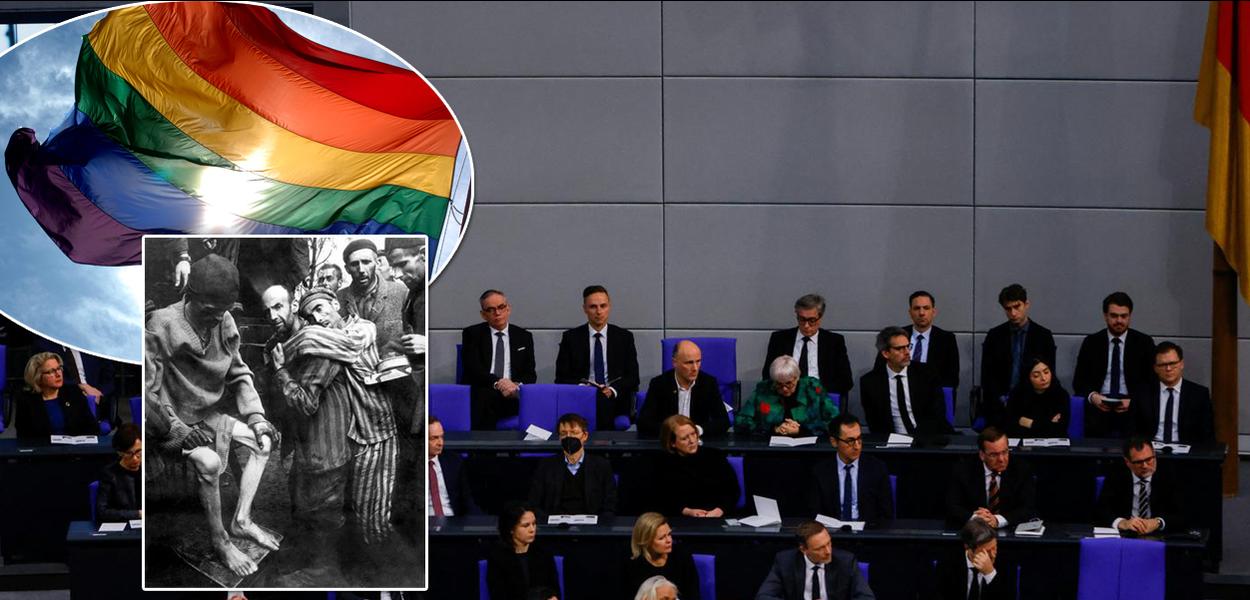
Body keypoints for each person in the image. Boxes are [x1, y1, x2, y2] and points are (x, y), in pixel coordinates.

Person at [145, 254, 279, 576]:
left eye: (223, 310)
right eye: (210, 310)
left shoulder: (224, 320)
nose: (217, 318)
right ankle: (220, 542)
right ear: (190, 296)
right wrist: (176, 429)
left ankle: (241, 520)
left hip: (206, 415)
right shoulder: (161, 324)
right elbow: (147, 392)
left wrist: (257, 418)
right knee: (209, 462)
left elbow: (239, 374)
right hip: (169, 422)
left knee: (262, 443)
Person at [271, 288, 398, 546]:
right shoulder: (324, 339)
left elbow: (344, 346)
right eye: (309, 315)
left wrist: (282, 363)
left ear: (335, 304)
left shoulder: (361, 329)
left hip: (379, 427)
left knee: (376, 507)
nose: (316, 318)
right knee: (360, 506)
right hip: (358, 431)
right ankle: (362, 558)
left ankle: (376, 563)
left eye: (320, 309)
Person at [555, 285, 640, 428]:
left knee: (602, 400)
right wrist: (583, 388)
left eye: (603, 306)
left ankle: (597, 449)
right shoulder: (571, 338)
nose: (599, 311)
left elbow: (633, 377)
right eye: (593, 307)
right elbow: (561, 378)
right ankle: (603, 448)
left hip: (614, 398)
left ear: (609, 307)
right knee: (596, 400)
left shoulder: (624, 337)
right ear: (585, 309)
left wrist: (612, 390)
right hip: (582, 397)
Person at [1073, 292, 1155, 438]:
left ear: (1130, 316)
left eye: (1124, 316)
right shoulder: (1091, 342)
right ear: (1105, 316)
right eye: (1114, 316)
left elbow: (1151, 383)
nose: (1119, 320)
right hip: (1099, 406)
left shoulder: (1144, 343)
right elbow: (1079, 381)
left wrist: (1133, 401)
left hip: (1131, 407)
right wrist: (1093, 397)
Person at [979, 284, 1057, 428]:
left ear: (1026, 304)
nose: (1013, 313)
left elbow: (1049, 376)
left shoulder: (1043, 336)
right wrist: (1003, 400)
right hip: (1000, 405)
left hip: (1033, 405)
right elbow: (987, 376)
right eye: (1008, 309)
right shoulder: (994, 336)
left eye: (1017, 307)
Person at [462, 289, 537, 429]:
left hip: (513, 394)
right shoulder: (472, 334)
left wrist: (515, 386)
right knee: (486, 397)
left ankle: (532, 449)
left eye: (501, 307)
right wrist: (498, 383)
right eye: (490, 310)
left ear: (508, 308)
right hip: (484, 390)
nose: (497, 313)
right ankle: (485, 449)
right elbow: (473, 370)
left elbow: (530, 374)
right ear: (483, 315)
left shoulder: (524, 336)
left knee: (537, 398)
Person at [859, 327, 950, 435]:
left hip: (927, 438)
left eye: (908, 346)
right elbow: (875, 423)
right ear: (885, 353)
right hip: (891, 443)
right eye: (899, 348)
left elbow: (936, 414)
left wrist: (917, 441)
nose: (907, 352)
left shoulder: (927, 374)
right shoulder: (870, 382)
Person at [761, 293, 854, 398]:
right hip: (786, 397)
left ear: (820, 318)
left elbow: (846, 381)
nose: (806, 325)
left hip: (820, 398)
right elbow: (767, 376)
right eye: (802, 319)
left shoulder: (834, 342)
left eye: (812, 321)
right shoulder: (779, 339)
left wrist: (817, 392)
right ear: (796, 315)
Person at [528, 413, 618, 519]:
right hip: (556, 527)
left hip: (590, 528)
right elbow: (534, 503)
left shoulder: (601, 465)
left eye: (574, 433)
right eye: (564, 433)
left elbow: (610, 503)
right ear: (559, 438)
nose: (569, 437)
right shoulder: (546, 466)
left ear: (585, 436)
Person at [755, 520, 875, 599]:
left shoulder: (846, 561)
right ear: (803, 549)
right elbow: (764, 596)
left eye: (829, 543)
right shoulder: (785, 561)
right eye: (820, 548)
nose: (828, 551)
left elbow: (866, 597)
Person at [808, 414, 893, 524]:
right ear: (834, 442)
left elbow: (886, 513)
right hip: (832, 534)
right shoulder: (820, 471)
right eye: (850, 441)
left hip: (868, 533)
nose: (857, 446)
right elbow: (814, 514)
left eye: (859, 439)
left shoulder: (877, 468)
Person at [945, 427, 1036, 529]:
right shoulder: (963, 470)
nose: (1001, 459)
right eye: (994, 455)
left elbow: (1028, 507)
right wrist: (976, 518)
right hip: (974, 532)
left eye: (1005, 452)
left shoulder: (1021, 469)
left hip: (1009, 530)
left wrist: (997, 520)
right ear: (982, 455)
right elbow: (952, 505)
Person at [873, 291, 960, 396]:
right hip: (897, 395)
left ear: (934, 312)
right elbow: (879, 371)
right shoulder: (894, 336)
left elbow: (951, 379)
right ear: (910, 312)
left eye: (926, 308)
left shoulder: (947, 339)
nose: (922, 313)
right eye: (917, 308)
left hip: (932, 399)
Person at [652, 415, 739, 518]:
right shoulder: (662, 463)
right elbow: (660, 499)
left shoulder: (715, 456)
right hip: (679, 520)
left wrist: (719, 510)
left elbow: (733, 490)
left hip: (717, 517)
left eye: (693, 434)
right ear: (672, 443)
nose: (692, 441)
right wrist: (687, 511)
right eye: (684, 438)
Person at [1094, 437, 1184, 534]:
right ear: (1127, 462)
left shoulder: (1169, 475)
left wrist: (1158, 522)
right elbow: (1101, 510)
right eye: (1138, 462)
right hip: (1126, 534)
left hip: (1159, 535)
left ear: (1154, 455)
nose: (1145, 466)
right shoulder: (1117, 474)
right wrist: (1122, 523)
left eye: (1149, 459)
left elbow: (1183, 515)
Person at [639, 340, 730, 437]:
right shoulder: (659, 384)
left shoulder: (708, 383)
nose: (695, 368)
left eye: (698, 361)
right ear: (675, 362)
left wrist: (697, 430)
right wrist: (674, 431)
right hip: (669, 444)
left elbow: (723, 422)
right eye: (689, 363)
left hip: (697, 443)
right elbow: (644, 423)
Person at [1131, 342, 1215, 445]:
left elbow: (1207, 434)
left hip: (1187, 453)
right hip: (1150, 452)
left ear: (1181, 364)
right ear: (1155, 368)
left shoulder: (1199, 394)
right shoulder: (1142, 394)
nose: (1168, 369)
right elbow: (1132, 431)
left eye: (1172, 363)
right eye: (1162, 365)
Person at [737, 355, 838, 437]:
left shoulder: (812, 388)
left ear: (797, 378)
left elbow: (835, 421)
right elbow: (741, 421)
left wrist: (802, 429)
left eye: (789, 383)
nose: (784, 389)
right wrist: (774, 429)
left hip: (809, 445)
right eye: (779, 384)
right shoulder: (764, 389)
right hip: (769, 446)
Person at [15, 351, 101, 440]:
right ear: (38, 377)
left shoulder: (74, 393)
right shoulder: (26, 400)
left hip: (75, 450)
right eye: (51, 371)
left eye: (59, 368)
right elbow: (23, 437)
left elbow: (92, 429)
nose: (58, 374)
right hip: (43, 451)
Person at [486, 503, 561, 600]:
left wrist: (553, 597)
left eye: (534, 524)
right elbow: (498, 595)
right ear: (511, 529)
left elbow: (554, 589)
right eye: (526, 525)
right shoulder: (498, 557)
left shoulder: (543, 553)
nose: (532, 529)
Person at [931, 518, 1015, 600]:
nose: (993, 554)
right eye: (987, 551)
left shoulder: (1003, 562)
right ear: (968, 548)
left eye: (995, 548)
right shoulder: (949, 563)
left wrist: (990, 574)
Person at [622, 513, 700, 600]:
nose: (669, 540)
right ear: (646, 541)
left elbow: (693, 595)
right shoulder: (633, 565)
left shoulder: (682, 557)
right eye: (662, 538)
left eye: (669, 534)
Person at [1003, 358, 1069, 439]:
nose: (1044, 378)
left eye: (1046, 372)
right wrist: (1048, 423)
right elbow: (1011, 427)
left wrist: (1028, 423)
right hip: (1023, 443)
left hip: (1053, 444)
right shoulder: (1017, 395)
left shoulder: (1061, 395)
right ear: (1027, 378)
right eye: (1036, 375)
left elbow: (1059, 430)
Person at [428, 416, 474, 517]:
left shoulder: (454, 461)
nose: (440, 443)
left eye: (441, 437)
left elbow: (467, 500)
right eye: (434, 438)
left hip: (451, 521)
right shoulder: (411, 466)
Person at [97, 422, 142, 523]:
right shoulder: (109, 474)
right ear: (120, 452)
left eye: (139, 452)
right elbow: (102, 512)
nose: (135, 459)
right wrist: (137, 514)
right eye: (129, 453)